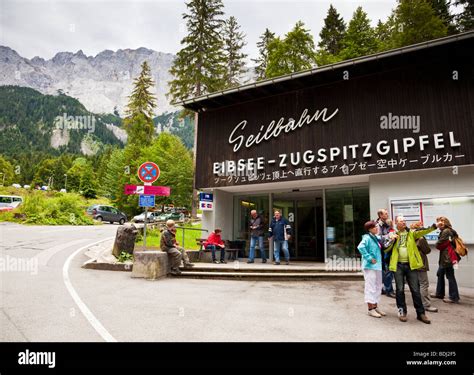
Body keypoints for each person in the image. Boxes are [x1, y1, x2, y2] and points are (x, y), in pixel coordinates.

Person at [385, 216, 436, 324]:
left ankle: (421, 313)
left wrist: (434, 226)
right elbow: (386, 249)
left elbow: (423, 231)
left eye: (404, 221)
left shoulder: (412, 233)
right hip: (398, 265)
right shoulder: (392, 234)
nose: (403, 222)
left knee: (415, 290)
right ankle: (402, 312)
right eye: (401, 221)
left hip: (410, 265)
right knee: (399, 290)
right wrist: (392, 240)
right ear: (396, 223)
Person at [357, 221, 386, 318]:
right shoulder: (367, 237)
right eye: (374, 227)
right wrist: (369, 258)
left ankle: (375, 306)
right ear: (369, 229)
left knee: (378, 286)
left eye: (376, 227)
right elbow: (360, 247)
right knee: (370, 287)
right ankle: (370, 309)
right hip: (370, 266)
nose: (376, 228)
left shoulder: (376, 238)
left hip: (378, 266)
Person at [431, 216, 460, 304]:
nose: (439, 223)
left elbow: (440, 243)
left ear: (445, 223)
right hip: (447, 256)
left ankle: (454, 297)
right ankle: (439, 293)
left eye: (441, 222)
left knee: (450, 276)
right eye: (438, 222)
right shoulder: (449, 230)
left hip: (448, 257)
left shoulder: (446, 231)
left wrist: (437, 244)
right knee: (440, 273)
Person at [410, 221, 438, 313]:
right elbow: (427, 250)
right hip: (421, 262)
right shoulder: (421, 239)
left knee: (417, 284)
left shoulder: (410, 237)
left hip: (413, 262)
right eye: (421, 225)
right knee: (424, 284)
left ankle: (419, 302)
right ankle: (426, 304)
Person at [375, 209, 396, 298]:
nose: (387, 215)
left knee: (385, 270)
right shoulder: (378, 225)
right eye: (385, 214)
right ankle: (389, 290)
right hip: (383, 250)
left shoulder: (386, 223)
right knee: (388, 271)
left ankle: (384, 288)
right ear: (380, 215)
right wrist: (389, 236)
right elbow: (378, 237)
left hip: (387, 249)